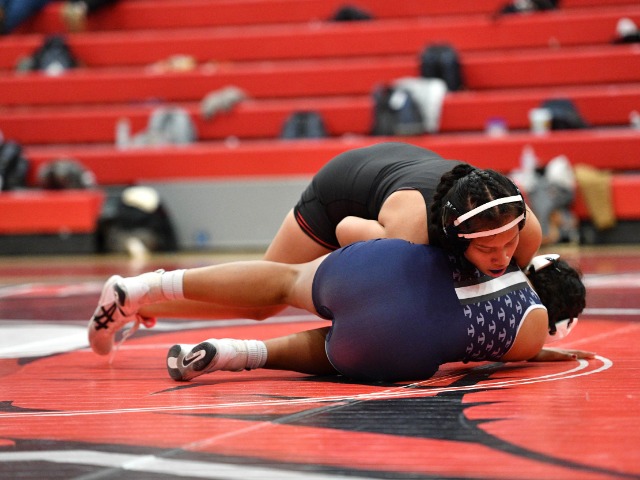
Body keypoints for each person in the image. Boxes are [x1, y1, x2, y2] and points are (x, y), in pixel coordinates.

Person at [89, 142, 542, 355]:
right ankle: (142, 290)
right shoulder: (410, 233)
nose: (503, 257)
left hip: (405, 166)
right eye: (489, 249)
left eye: (509, 243)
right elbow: (346, 230)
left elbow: (514, 290)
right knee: (271, 294)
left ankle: (136, 301)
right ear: (456, 236)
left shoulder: (521, 226)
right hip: (344, 193)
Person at [94, 240, 590, 382]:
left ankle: (145, 286)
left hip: (380, 266)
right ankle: (231, 353)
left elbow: (357, 227)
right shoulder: (531, 332)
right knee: (337, 349)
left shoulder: (499, 244)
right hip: (396, 344)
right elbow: (516, 350)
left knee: (284, 280)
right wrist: (540, 353)